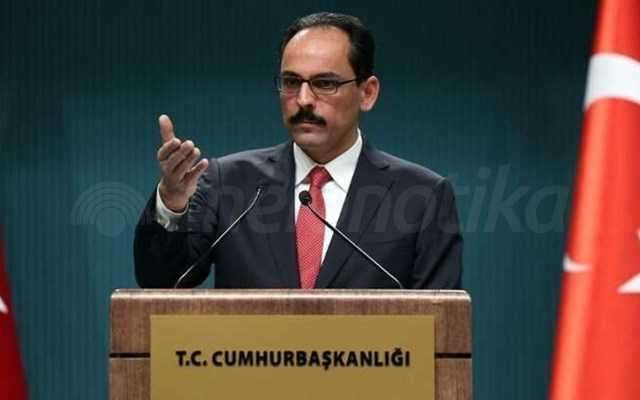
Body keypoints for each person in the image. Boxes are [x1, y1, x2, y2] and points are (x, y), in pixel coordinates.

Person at [134, 12, 463, 289]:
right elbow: (161, 283)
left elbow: (440, 326)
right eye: (291, 82)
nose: (303, 100)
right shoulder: (229, 181)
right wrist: (172, 203)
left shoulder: (423, 196)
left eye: (325, 83)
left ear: (367, 93)